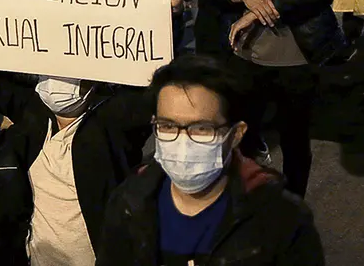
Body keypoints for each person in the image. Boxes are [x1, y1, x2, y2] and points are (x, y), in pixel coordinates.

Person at [0, 0, 186, 265]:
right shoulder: (33, 116)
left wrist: (171, 14)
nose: (59, 81)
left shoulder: (111, 124)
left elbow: (157, 84)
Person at [97, 55, 325, 265]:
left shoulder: (281, 220)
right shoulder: (129, 202)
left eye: (201, 128)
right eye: (167, 126)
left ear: (236, 134)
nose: (182, 142)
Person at [205, 0, 345, 197]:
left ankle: (294, 203)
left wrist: (258, 12)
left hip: (295, 53)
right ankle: (247, 197)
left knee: (295, 139)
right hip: (245, 53)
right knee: (240, 133)